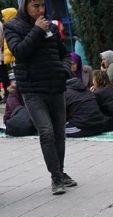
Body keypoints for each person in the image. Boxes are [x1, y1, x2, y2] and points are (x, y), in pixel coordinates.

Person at [4, 0, 76, 195]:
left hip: (56, 87)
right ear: (24, 6)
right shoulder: (12, 26)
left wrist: (65, 70)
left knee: (60, 133)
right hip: (33, 90)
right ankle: (55, 177)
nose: (40, 10)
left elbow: (64, 54)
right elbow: (19, 51)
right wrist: (36, 30)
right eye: (35, 6)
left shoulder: (51, 26)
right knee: (46, 132)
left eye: (42, 5)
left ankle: (60, 172)